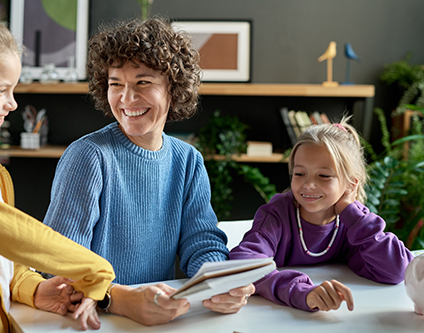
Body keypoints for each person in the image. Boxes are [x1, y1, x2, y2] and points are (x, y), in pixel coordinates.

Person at [43, 17, 255, 326]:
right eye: (116, 84)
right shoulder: (88, 156)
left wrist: (218, 283)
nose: (127, 98)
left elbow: (203, 242)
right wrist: (116, 299)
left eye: (143, 82)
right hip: (97, 319)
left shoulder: (187, 160)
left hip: (158, 318)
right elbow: (58, 261)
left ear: (174, 88)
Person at [0, 4, 115, 332]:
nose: (12, 103)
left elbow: (0, 256)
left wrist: (32, 288)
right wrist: (97, 270)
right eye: (1, 90)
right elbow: (15, 235)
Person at [229, 117, 414, 312]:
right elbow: (244, 264)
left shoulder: (354, 222)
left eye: (324, 176)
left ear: (351, 184)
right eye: (299, 173)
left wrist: (353, 215)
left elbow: (399, 270)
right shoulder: (276, 215)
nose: (308, 184)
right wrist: (303, 292)